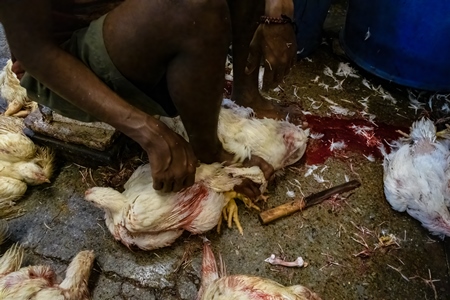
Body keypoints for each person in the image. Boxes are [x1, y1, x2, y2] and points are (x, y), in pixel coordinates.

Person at [0, 0, 297, 196]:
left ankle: (246, 92)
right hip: (65, 60)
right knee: (194, 6)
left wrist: (277, 9)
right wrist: (147, 130)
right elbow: (36, 54)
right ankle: (209, 151)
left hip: (123, 15)